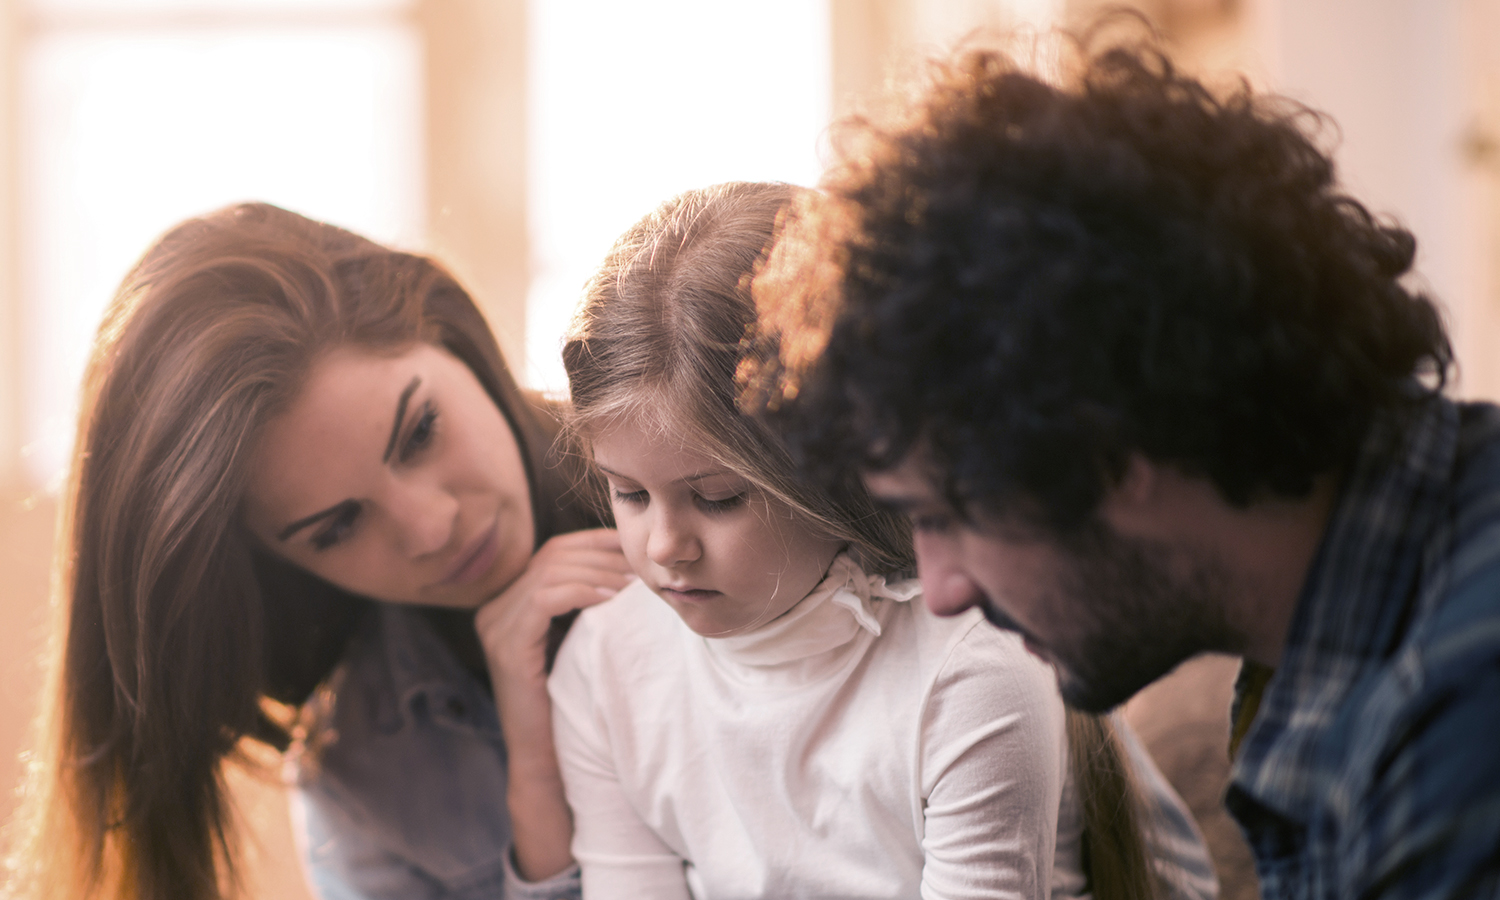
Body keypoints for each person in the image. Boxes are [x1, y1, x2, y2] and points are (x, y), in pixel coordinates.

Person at [749, 32, 1500, 900]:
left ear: (1102, 447)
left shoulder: (1460, 723)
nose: (943, 587)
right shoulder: (1333, 630)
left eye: (947, 513)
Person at [551, 181, 1217, 900]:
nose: (663, 546)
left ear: (838, 470)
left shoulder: (973, 665)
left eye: (718, 498)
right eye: (630, 495)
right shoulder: (605, 661)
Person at [4, 202, 633, 900]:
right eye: (336, 529)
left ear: (450, 330)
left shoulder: (731, 485)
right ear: (283, 568)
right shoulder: (360, 772)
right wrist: (535, 781)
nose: (430, 528)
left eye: (420, 432)